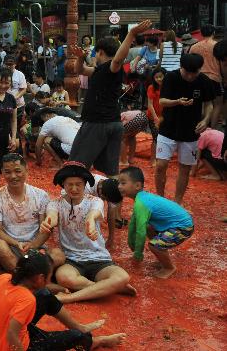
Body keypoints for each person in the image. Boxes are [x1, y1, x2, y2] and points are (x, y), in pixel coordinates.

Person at [0, 249, 126, 351]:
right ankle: (96, 342)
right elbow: (11, 335)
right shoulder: (27, 299)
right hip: (15, 346)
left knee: (44, 294)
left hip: (1, 339)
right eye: (49, 274)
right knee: (76, 336)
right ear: (41, 277)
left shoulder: (5, 278)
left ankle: (80, 326)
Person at [41, 162, 136, 304]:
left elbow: (94, 214)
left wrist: (90, 221)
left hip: (99, 258)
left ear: (85, 184)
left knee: (123, 277)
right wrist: (48, 221)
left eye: (78, 184)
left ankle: (70, 298)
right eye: (69, 184)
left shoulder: (95, 201)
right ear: (63, 185)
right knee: (63, 277)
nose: (74, 188)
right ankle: (109, 287)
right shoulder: (55, 204)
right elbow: (52, 216)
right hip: (72, 259)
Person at [67, 21, 152, 176]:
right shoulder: (99, 70)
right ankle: (113, 199)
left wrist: (131, 34)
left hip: (98, 123)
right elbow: (81, 69)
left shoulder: (112, 68)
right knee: (111, 172)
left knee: (76, 167)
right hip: (113, 124)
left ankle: (73, 198)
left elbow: (118, 60)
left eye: (95, 53)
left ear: (100, 52)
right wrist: (80, 58)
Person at [155, 53, 214, 204]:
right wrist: (177, 102)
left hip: (191, 130)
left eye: (193, 73)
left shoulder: (204, 81)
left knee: (185, 168)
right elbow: (162, 101)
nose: (189, 76)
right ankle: (161, 200)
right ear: (181, 67)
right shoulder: (171, 77)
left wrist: (206, 120)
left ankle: (177, 201)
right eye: (186, 72)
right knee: (161, 166)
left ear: (199, 70)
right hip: (168, 128)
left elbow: (209, 104)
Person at [118, 166, 194, 279]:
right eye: (119, 183)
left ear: (137, 186)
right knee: (149, 228)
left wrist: (138, 254)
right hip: (178, 224)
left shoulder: (141, 203)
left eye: (123, 183)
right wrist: (132, 245)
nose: (119, 186)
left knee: (154, 245)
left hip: (183, 227)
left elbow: (140, 231)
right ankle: (162, 256)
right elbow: (133, 224)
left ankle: (169, 267)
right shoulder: (141, 198)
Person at [0, 154, 52, 272]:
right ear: (2, 172)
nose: (13, 176)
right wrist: (17, 244)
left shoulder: (41, 195)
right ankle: (34, 279)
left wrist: (33, 245)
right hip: (11, 247)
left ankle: (18, 275)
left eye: (18, 171)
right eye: (7, 172)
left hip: (36, 247)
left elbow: (45, 230)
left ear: (26, 170)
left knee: (58, 255)